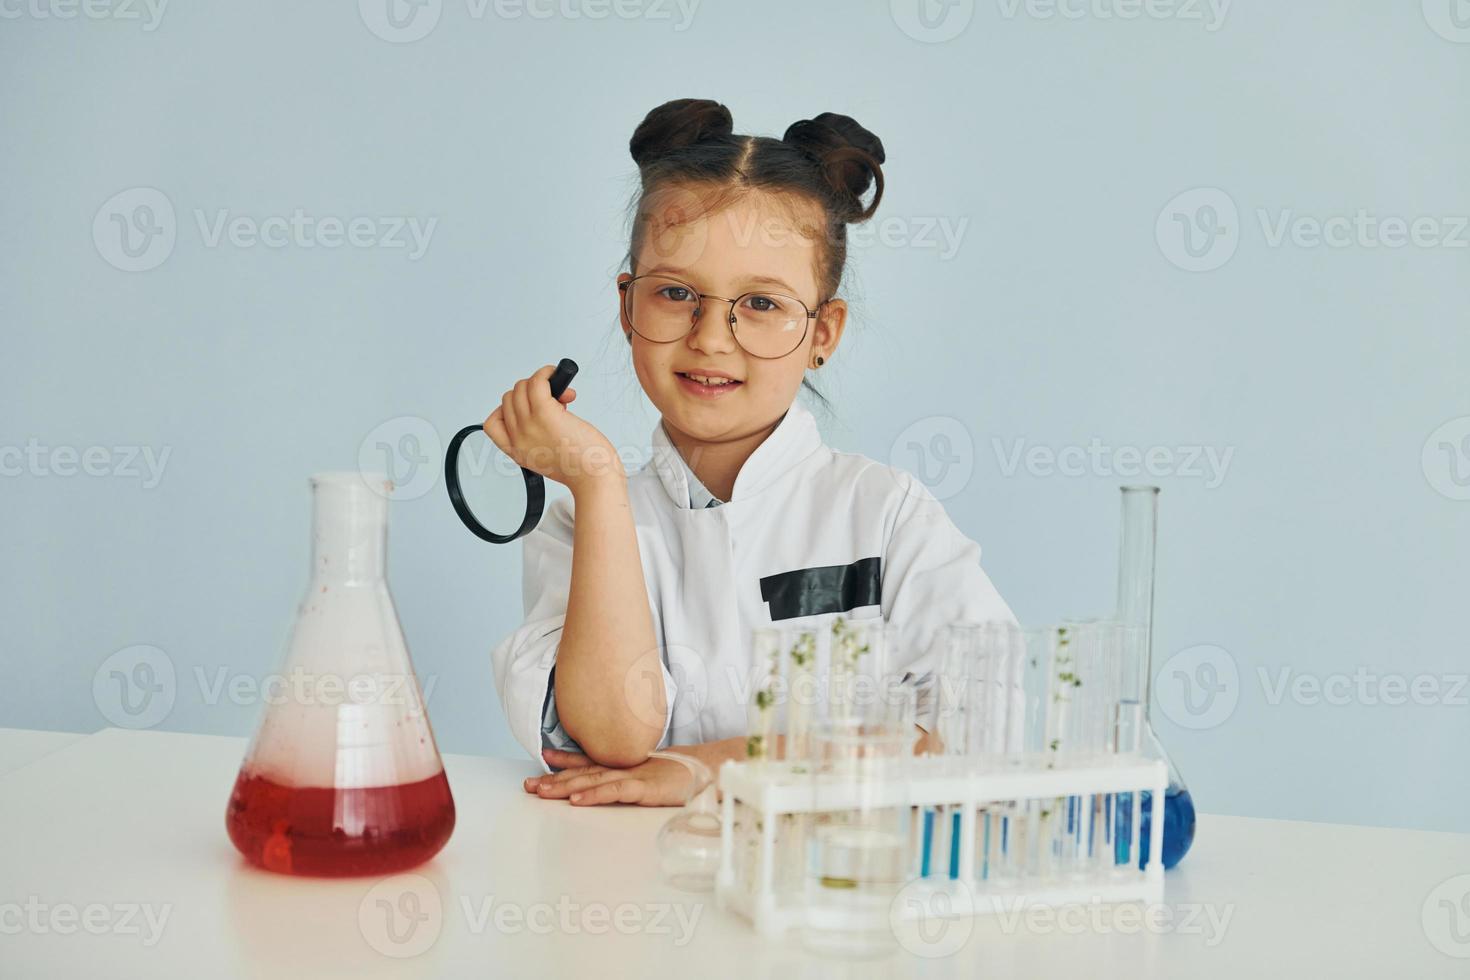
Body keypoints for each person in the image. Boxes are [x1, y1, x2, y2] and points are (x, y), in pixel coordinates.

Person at [488, 98, 1014, 807]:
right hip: (633, 895)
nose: (711, 338)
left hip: (843, 891)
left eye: (761, 303)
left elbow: (989, 731)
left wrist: (708, 768)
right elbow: (615, 735)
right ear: (627, 307)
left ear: (823, 332)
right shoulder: (583, 526)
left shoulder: (888, 516)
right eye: (676, 293)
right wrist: (598, 479)